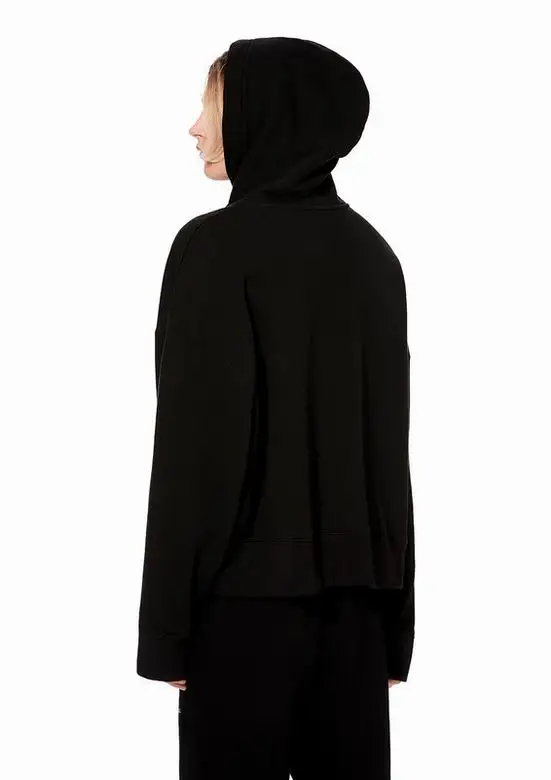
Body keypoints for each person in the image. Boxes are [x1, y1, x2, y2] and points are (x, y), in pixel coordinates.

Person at [136, 36, 415, 780]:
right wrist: (394, 629)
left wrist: (166, 631)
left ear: (263, 115)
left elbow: (195, 451)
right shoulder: (373, 255)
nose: (195, 127)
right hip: (357, 614)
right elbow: (387, 453)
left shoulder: (212, 249)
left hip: (239, 611)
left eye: (212, 106)